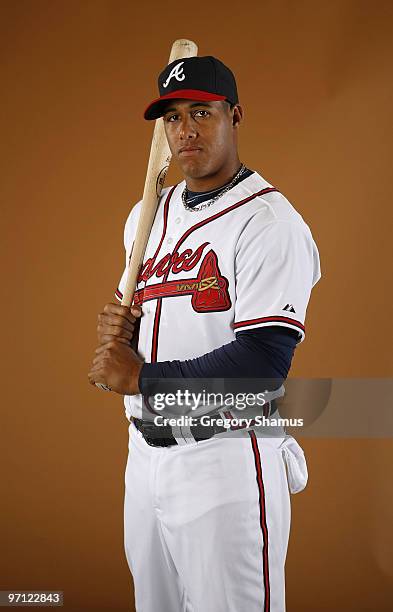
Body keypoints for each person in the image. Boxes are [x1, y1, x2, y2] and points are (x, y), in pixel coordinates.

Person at [88, 55, 321, 612]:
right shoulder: (148, 215)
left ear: (234, 115)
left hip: (226, 459)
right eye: (171, 117)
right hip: (144, 461)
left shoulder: (270, 223)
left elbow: (262, 365)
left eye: (201, 112)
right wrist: (123, 327)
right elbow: (157, 318)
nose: (185, 130)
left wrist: (140, 377)